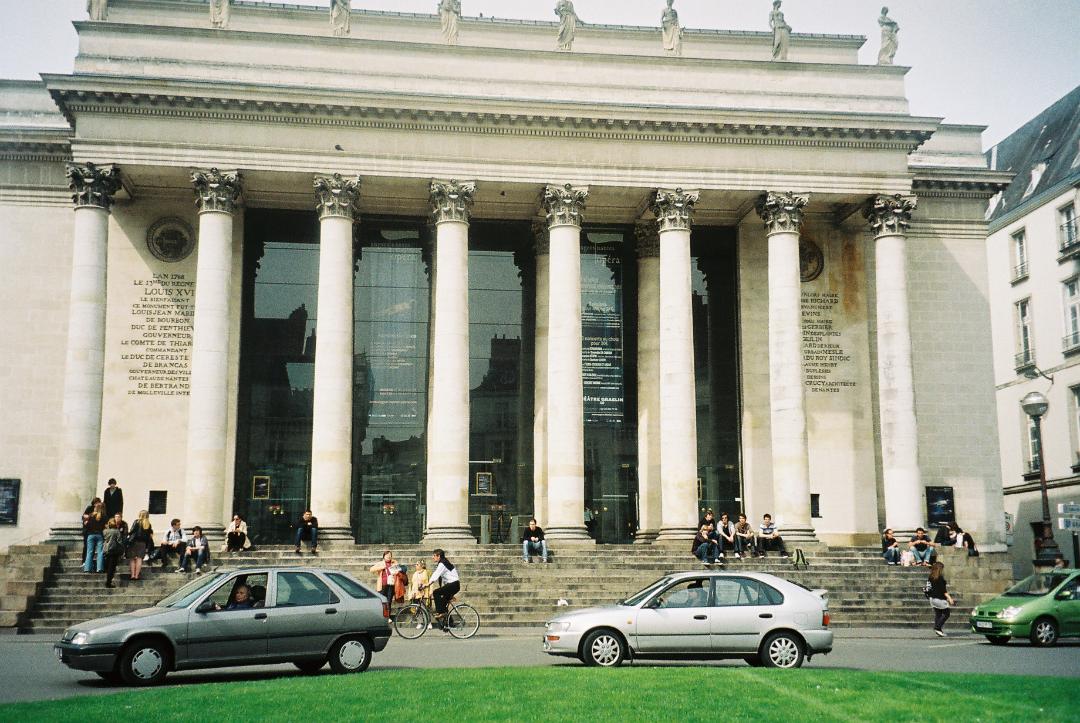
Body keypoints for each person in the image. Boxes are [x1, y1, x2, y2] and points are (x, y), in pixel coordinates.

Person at [423, 549, 460, 632]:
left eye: (434, 556)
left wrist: (428, 584)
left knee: (436, 592)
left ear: (438, 556)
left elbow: (436, 574)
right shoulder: (443, 562)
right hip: (453, 585)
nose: (433, 557)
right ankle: (449, 624)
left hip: (453, 585)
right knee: (443, 603)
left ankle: (440, 612)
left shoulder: (442, 564)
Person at [925, 561, 955, 637]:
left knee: (938, 614)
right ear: (940, 569)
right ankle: (937, 628)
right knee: (946, 613)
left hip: (932, 598)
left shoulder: (931, 577)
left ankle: (938, 630)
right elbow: (943, 591)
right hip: (939, 599)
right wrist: (950, 599)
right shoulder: (940, 578)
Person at [126, 510, 153, 581]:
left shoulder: (137, 522)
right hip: (143, 543)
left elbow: (132, 531)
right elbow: (149, 535)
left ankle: (132, 575)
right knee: (139, 559)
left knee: (132, 559)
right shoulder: (148, 524)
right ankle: (137, 575)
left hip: (134, 542)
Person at [82, 500, 106, 573]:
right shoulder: (104, 516)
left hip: (90, 535)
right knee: (100, 552)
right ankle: (99, 568)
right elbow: (105, 526)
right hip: (99, 535)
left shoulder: (91, 516)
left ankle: (87, 569)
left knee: (89, 552)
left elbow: (87, 524)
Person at [101, 519, 124, 588]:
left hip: (106, 549)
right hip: (114, 550)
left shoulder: (105, 531)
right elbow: (119, 541)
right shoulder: (117, 531)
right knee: (112, 566)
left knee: (108, 565)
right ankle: (108, 581)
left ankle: (108, 580)